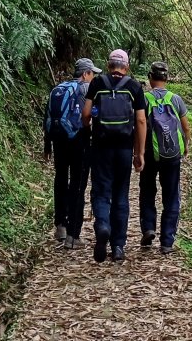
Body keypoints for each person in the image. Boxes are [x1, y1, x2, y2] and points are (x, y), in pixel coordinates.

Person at [82, 48, 146, 263]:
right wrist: (140, 153)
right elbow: (140, 121)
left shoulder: (97, 84)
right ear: (126, 67)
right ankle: (118, 246)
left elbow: (86, 115)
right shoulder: (134, 87)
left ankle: (102, 225)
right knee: (121, 194)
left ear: (109, 65)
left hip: (101, 147)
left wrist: (89, 129)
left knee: (101, 191)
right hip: (124, 149)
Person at [43, 57, 102, 248]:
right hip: (79, 141)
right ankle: (73, 235)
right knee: (77, 183)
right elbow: (93, 114)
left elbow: (48, 117)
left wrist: (47, 146)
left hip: (58, 140)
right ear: (85, 73)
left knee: (60, 178)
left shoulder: (57, 89)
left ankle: (60, 225)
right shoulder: (86, 89)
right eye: (92, 73)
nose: (93, 77)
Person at [138, 60, 191, 254]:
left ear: (150, 78)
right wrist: (185, 145)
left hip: (151, 153)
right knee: (171, 196)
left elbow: (139, 124)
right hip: (172, 154)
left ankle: (148, 228)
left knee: (147, 191)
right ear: (166, 79)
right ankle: (167, 241)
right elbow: (185, 126)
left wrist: (139, 152)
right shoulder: (175, 99)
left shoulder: (144, 99)